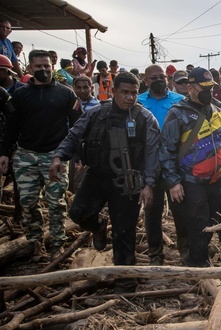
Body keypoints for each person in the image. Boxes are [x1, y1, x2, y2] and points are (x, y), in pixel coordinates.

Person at [50, 72, 159, 293]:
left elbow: (152, 153)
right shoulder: (96, 113)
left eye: (134, 93)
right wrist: (58, 157)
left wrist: (148, 184)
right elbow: (74, 135)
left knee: (124, 231)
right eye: (124, 92)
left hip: (128, 180)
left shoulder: (145, 118)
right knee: (78, 213)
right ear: (113, 92)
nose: (129, 97)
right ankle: (98, 227)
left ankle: (125, 281)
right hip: (97, 175)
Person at [0, 50, 82, 259]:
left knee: (56, 202)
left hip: (55, 155)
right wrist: (4, 153)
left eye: (47, 66)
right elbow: (11, 125)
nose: (44, 70)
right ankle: (35, 242)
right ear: (30, 68)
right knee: (27, 202)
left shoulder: (66, 93)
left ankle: (57, 244)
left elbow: (77, 125)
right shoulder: (19, 95)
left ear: (52, 67)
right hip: (26, 154)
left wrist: (77, 153)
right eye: (38, 67)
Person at [159, 67, 221, 267]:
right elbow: (166, 151)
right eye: (203, 87)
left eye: (210, 87)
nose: (208, 91)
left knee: (211, 220)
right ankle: (198, 263)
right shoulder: (177, 114)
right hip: (190, 180)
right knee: (198, 222)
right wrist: (173, 182)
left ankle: (200, 255)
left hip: (215, 179)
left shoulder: (216, 111)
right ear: (189, 87)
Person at [138, 64, 185, 265]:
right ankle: (155, 254)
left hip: (175, 165)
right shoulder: (138, 102)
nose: (158, 80)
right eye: (153, 77)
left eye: (161, 76)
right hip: (149, 166)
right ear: (146, 81)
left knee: (180, 210)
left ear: (167, 78)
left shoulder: (180, 101)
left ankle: (186, 251)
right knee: (152, 211)